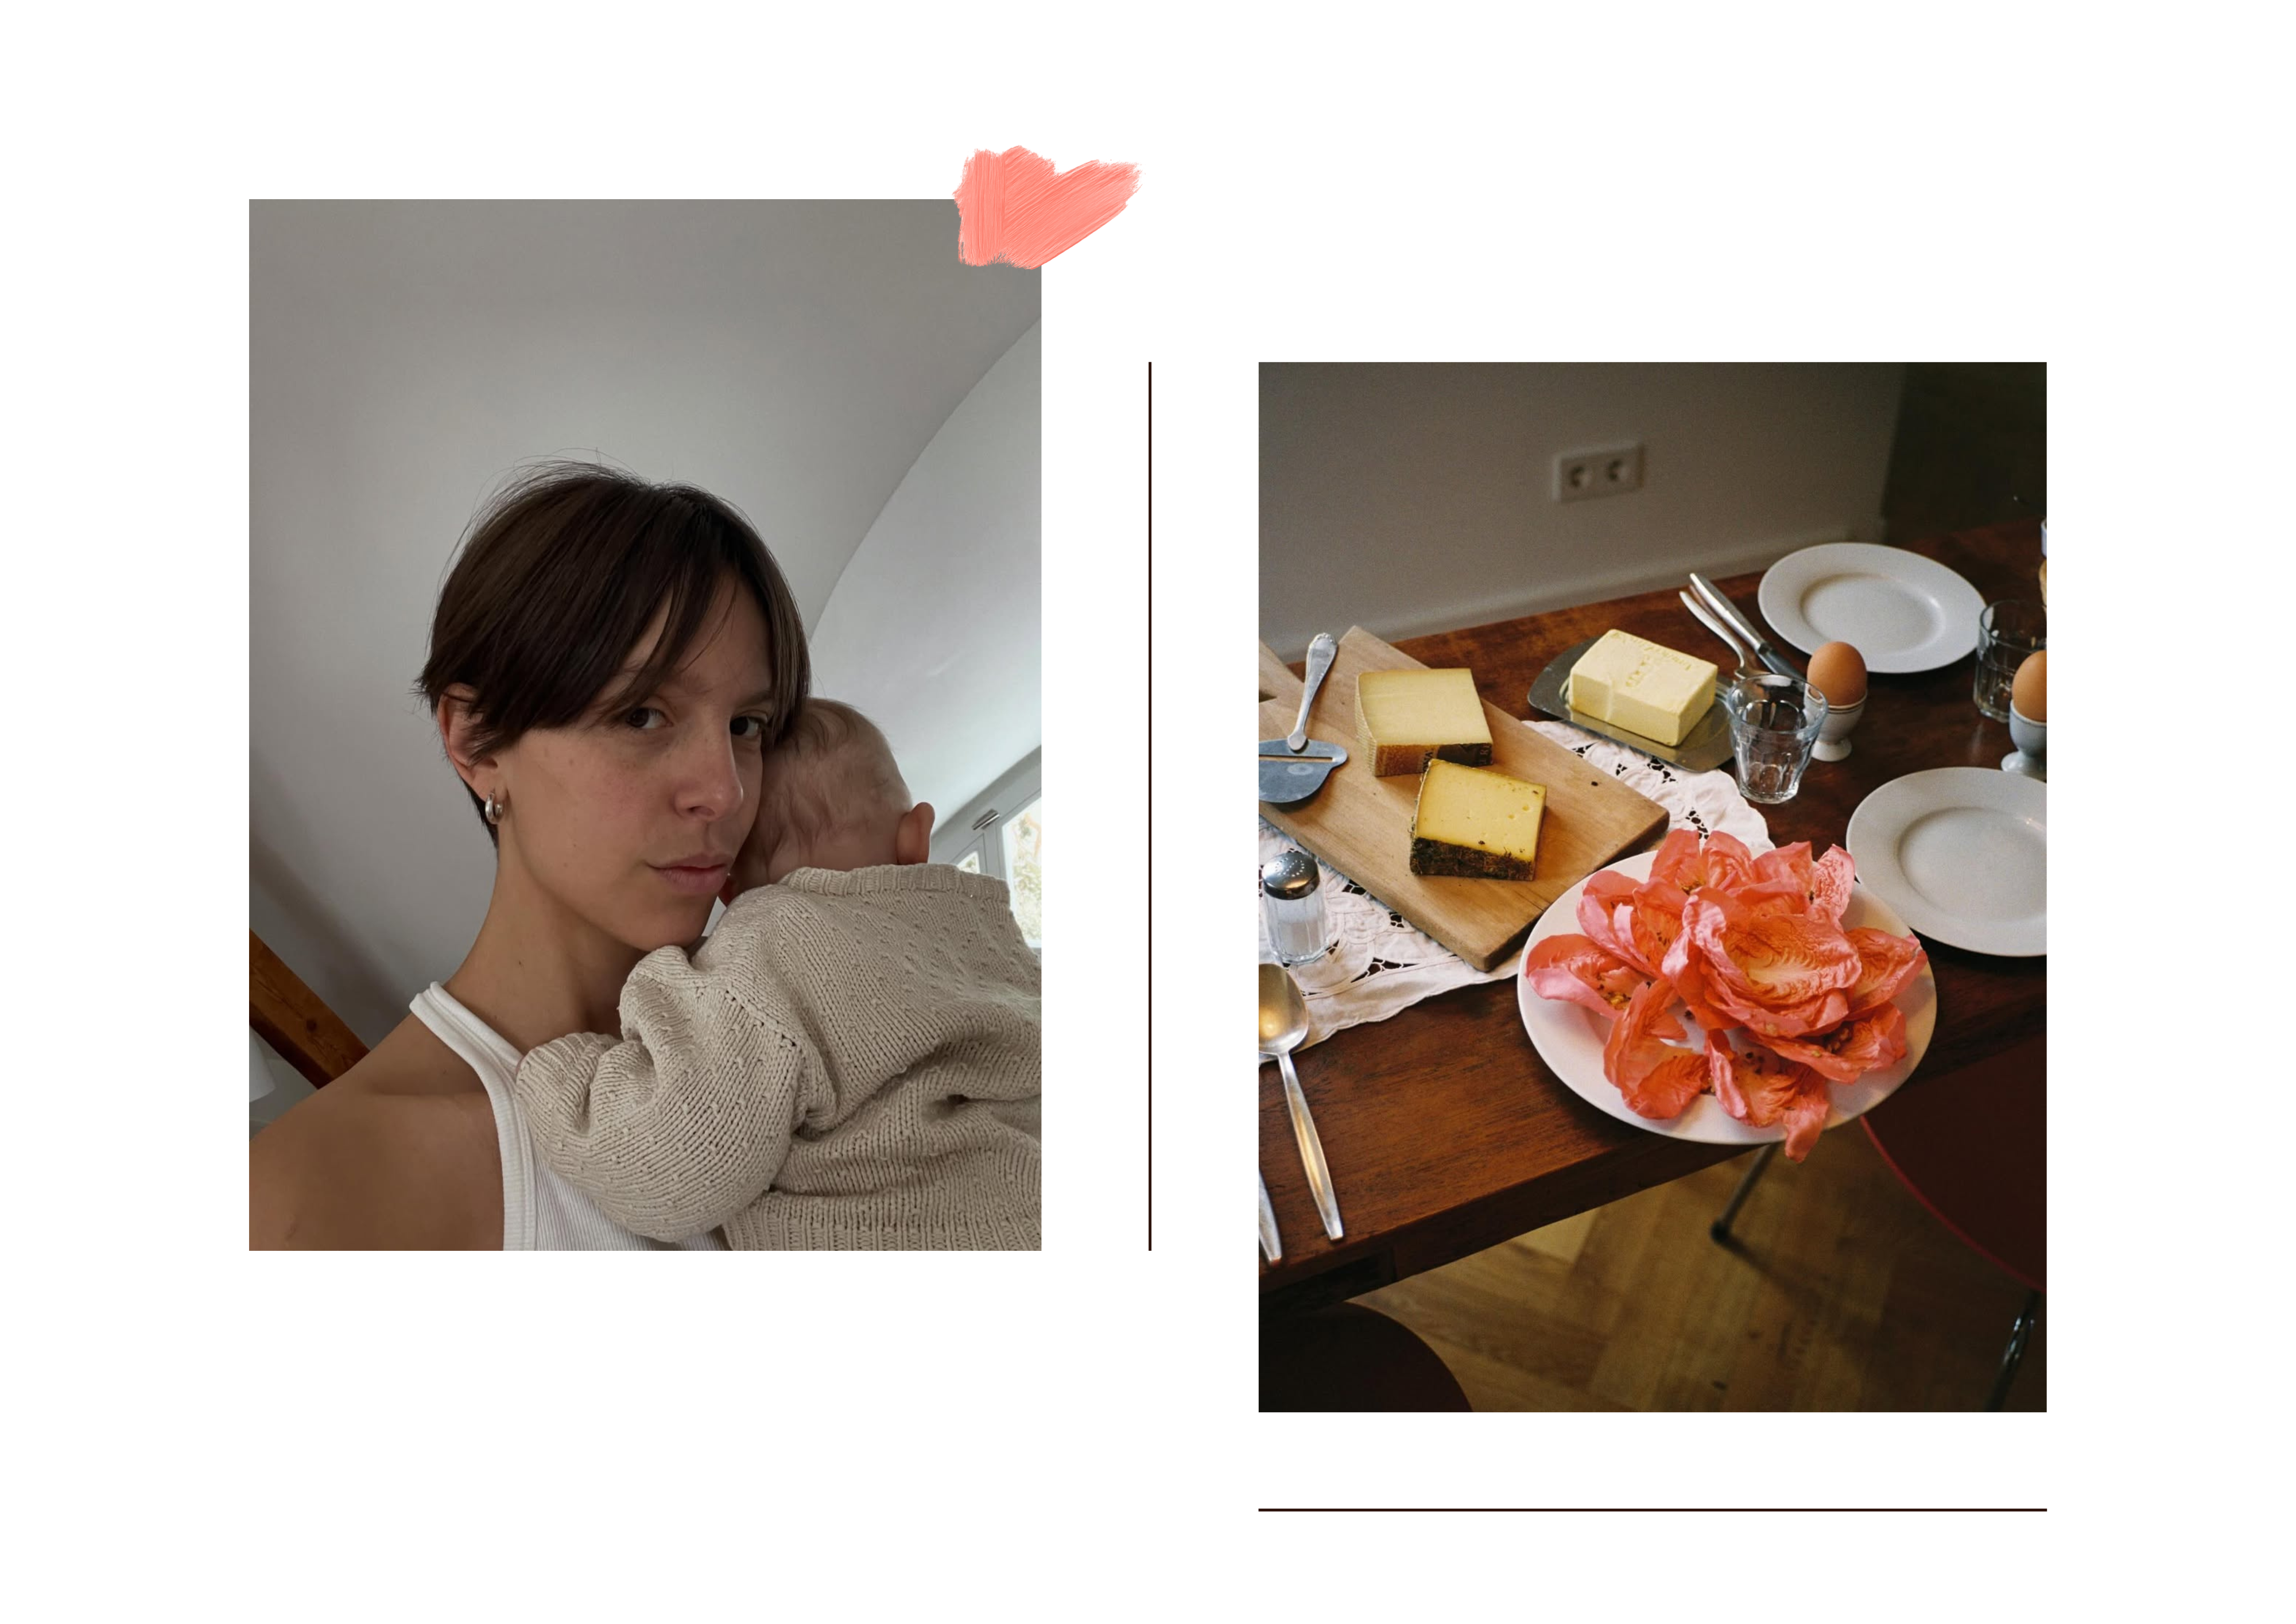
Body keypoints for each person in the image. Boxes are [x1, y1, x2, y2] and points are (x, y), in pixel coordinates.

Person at [249, 462, 809, 1248]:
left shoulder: (801, 1066)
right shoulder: (313, 1197)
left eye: (747, 726)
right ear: (476, 741)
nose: (724, 791)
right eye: (644, 714)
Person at [509, 699, 1041, 1249]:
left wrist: (565, 1079)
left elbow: (677, 1162)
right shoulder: (989, 940)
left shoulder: (775, 945)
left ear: (729, 889)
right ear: (918, 835)